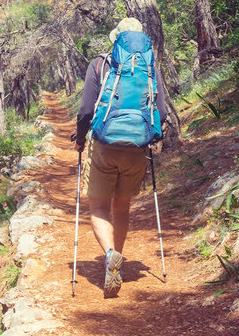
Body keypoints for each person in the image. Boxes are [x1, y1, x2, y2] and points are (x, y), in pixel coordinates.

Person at [73, 17, 171, 298]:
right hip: (137, 147)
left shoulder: (100, 64)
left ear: (116, 39)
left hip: (104, 145)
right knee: (123, 205)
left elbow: (85, 112)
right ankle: (119, 257)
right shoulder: (150, 68)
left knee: (99, 206)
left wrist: (80, 140)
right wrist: (153, 140)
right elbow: (161, 113)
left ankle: (110, 255)